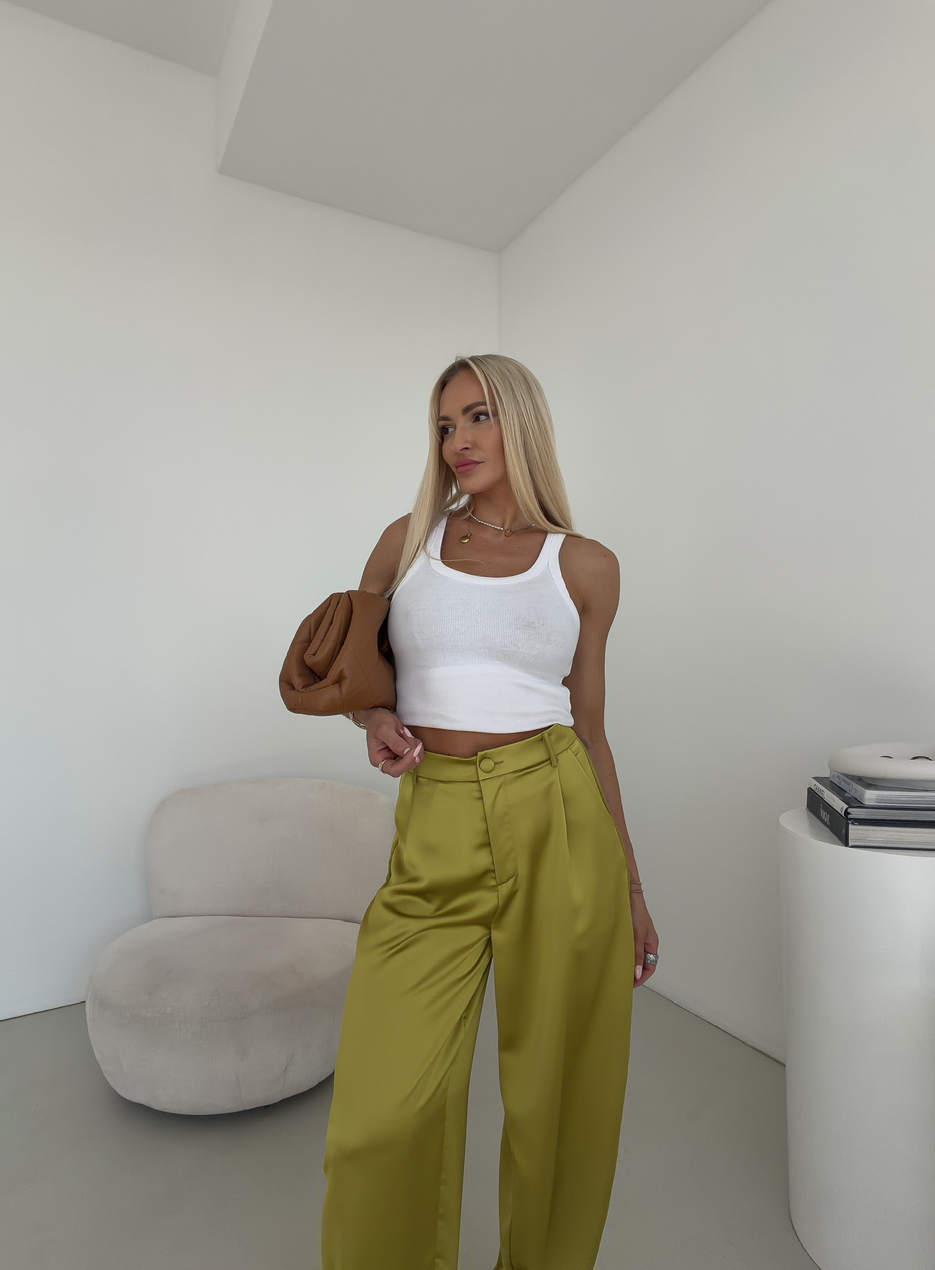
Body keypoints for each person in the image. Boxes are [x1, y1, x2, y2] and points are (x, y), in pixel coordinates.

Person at [320, 353, 658, 1270]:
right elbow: (358, 677)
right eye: (444, 426)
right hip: (436, 818)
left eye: (477, 417)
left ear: (522, 422)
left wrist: (631, 889)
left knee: (559, 1097)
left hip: (558, 812)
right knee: (379, 1113)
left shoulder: (585, 566)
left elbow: (592, 731)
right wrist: (374, 720)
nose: (457, 441)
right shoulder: (408, 542)